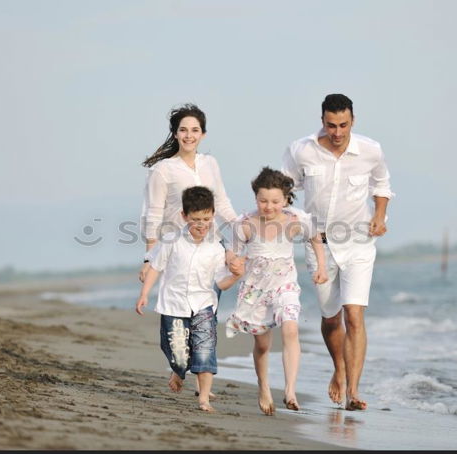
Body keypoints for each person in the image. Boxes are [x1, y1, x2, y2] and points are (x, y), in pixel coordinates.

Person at [282, 94, 395, 411]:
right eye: (331, 125)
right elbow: (284, 190)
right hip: (318, 245)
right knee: (331, 320)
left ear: (353, 121)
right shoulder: (301, 150)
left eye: (343, 125)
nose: (337, 132)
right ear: (322, 121)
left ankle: (353, 391)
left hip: (358, 243)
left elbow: (382, 185)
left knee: (354, 316)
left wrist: (379, 216)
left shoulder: (370, 150)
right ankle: (339, 369)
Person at [226, 167, 327, 415]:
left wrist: (321, 267)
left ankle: (290, 390)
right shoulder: (245, 224)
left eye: (274, 201)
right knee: (262, 345)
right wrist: (233, 263)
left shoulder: (295, 220)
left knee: (290, 329)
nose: (268, 207)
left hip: (285, 285)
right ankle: (264, 387)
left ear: (285, 199)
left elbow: (315, 237)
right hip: (255, 291)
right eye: (263, 201)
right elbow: (233, 254)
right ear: (255, 198)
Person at [136, 186, 242, 412]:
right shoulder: (171, 241)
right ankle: (178, 370)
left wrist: (235, 276)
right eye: (196, 219)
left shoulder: (216, 248)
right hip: (173, 305)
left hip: (204, 305)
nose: (202, 224)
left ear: (213, 214)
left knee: (205, 350)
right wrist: (145, 293)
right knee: (179, 355)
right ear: (184, 216)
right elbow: (156, 267)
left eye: (206, 218)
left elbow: (221, 282)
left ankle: (204, 398)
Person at [140, 103, 240, 282]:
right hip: (178, 250)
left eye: (195, 130)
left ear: (203, 134)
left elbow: (222, 203)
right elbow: (153, 214)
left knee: (209, 306)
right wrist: (149, 258)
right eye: (183, 130)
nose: (189, 136)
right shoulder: (162, 170)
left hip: (212, 246)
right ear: (175, 134)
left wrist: (242, 227)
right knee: (180, 306)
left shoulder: (210, 163)